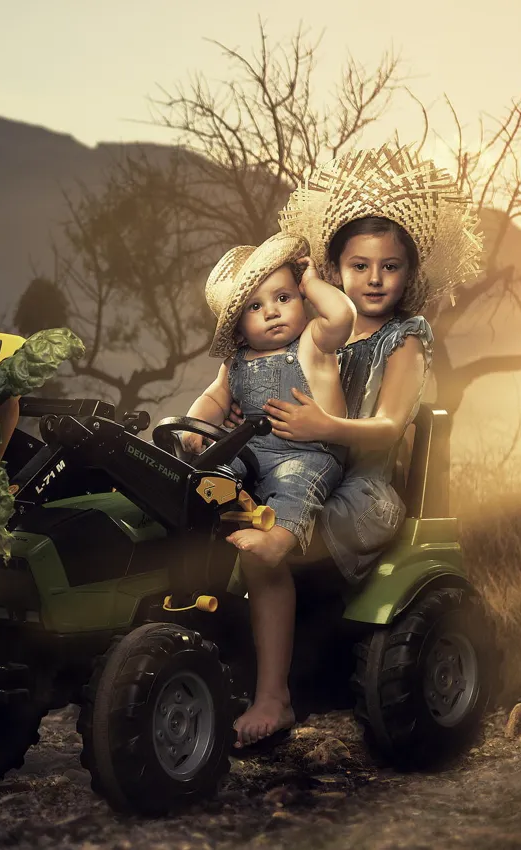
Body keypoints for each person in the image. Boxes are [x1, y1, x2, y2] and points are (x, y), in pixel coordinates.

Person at [241, 145, 483, 586]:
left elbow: (390, 425)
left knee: (278, 537)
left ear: (409, 273)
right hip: (302, 470)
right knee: (227, 515)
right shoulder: (319, 331)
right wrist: (252, 415)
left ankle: (295, 643)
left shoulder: (405, 337)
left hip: (360, 492)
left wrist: (322, 426)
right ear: (335, 270)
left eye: (390, 266)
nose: (375, 278)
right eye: (360, 265)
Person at [183, 230, 357, 747]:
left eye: (283, 297)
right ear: (238, 327)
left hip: (307, 457)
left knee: (289, 487)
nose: (274, 312)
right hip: (251, 457)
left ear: (301, 299)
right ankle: (222, 511)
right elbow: (212, 401)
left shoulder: (314, 342)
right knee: (215, 469)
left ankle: (280, 531)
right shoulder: (234, 364)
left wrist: (308, 276)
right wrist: (194, 428)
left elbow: (342, 317)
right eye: (256, 307)